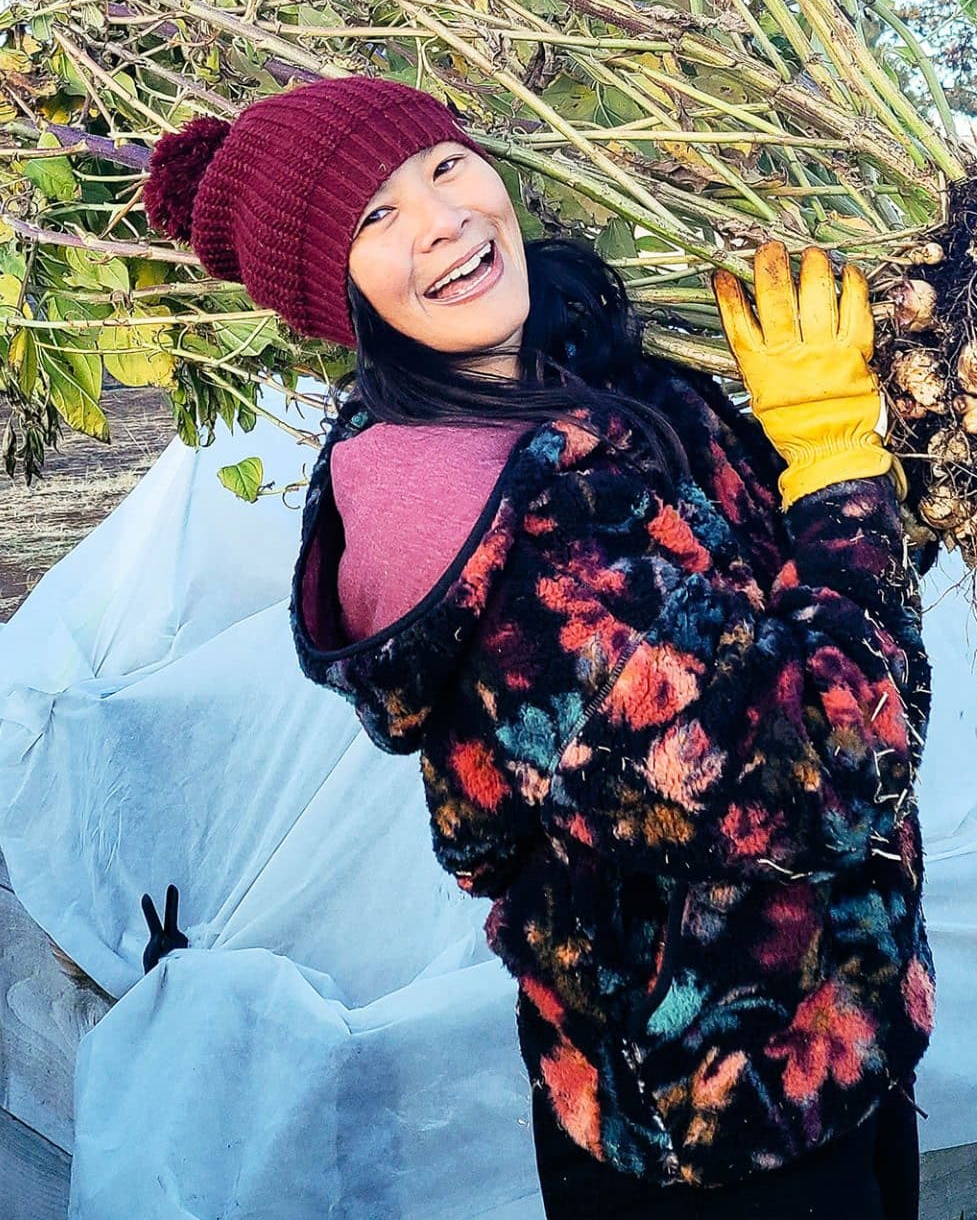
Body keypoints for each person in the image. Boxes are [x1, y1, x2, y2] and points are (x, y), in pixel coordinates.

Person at [143, 77, 934, 1217]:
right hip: (717, 1140)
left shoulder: (608, 380)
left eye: (444, 165)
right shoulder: (502, 556)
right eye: (375, 219)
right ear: (341, 298)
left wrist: (880, 454)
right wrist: (838, 466)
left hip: (839, 1043)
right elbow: (827, 772)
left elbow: (823, 601)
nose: (442, 217)